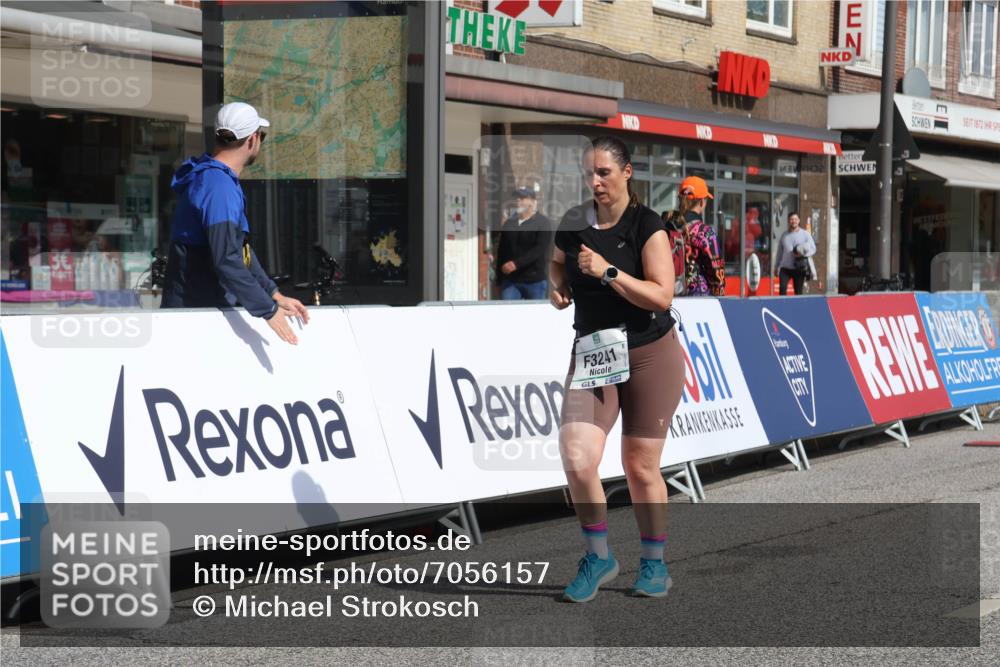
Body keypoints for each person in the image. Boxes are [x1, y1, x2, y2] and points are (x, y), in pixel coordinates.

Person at [549, 136, 686, 602]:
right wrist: (557, 288)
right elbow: (556, 264)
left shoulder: (646, 224)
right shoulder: (572, 222)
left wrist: (608, 271)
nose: (595, 182)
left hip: (650, 351)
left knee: (639, 466)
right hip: (593, 352)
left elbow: (662, 295)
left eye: (604, 172)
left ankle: (654, 565)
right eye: (589, 173)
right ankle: (599, 556)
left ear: (627, 172)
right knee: (576, 454)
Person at [162, 102, 309, 344]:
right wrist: (268, 310)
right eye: (262, 136)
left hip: (197, 314)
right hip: (196, 321)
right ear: (252, 140)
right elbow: (227, 258)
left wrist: (273, 294)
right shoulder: (218, 187)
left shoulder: (211, 177)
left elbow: (239, 250)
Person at [663, 176, 725, 296]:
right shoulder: (705, 232)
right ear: (702, 202)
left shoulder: (666, 225)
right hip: (697, 299)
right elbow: (717, 274)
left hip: (668, 294)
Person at [495, 186, 552, 300]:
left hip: (534, 282)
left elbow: (539, 250)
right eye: (516, 197)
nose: (518, 200)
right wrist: (498, 279)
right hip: (511, 282)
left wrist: (516, 264)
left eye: (522, 197)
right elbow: (502, 250)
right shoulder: (509, 223)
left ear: (532, 201)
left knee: (534, 316)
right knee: (509, 314)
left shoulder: (543, 223)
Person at [774, 211, 816, 296]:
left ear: (799, 220)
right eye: (792, 219)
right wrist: (776, 266)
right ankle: (782, 308)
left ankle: (798, 309)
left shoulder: (805, 234)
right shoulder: (784, 235)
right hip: (785, 268)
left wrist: (802, 254)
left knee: (798, 292)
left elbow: (813, 249)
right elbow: (779, 252)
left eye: (796, 219)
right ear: (789, 221)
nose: (794, 221)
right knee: (782, 289)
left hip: (799, 268)